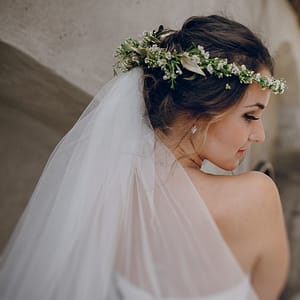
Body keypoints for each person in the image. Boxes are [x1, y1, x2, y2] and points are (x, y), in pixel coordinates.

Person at [0, 15, 289, 300]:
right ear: (201, 111)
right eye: (250, 116)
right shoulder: (256, 196)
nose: (259, 135)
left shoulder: (101, 187)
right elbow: (267, 292)